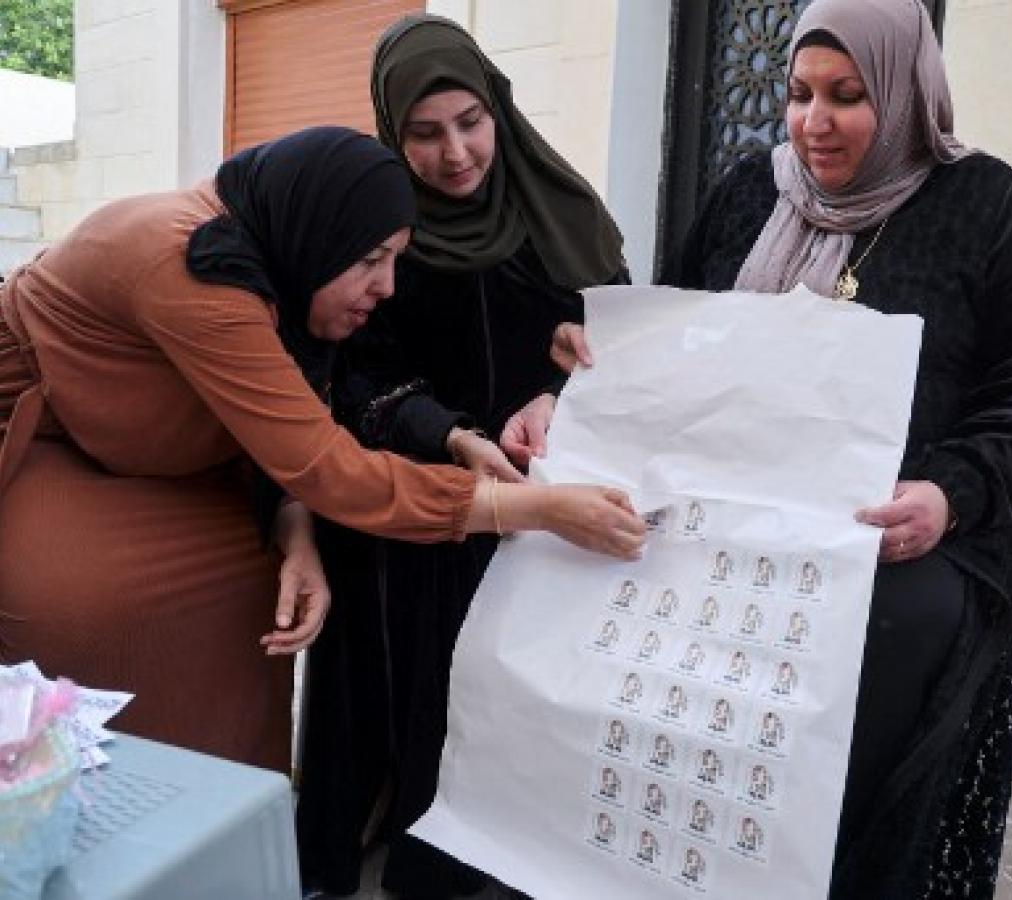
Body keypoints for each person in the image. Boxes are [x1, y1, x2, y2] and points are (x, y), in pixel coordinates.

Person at [0, 126, 644, 775]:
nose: (387, 287)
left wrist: (297, 535)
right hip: (45, 429)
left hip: (171, 447)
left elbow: (288, 435)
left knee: (256, 582)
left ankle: (228, 807)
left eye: (395, 261)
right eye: (369, 260)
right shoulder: (201, 272)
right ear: (318, 230)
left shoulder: (277, 259)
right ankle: (87, 800)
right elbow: (328, 468)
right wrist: (537, 509)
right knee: (84, 603)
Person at [664, 0, 1012, 895]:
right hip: (745, 506)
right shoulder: (749, 191)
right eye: (800, 94)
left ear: (903, 96)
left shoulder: (982, 203)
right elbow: (678, 333)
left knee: (887, 625)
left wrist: (951, 492)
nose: (814, 122)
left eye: (848, 96)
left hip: (911, 527)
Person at [295, 16, 631, 898]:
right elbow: (352, 373)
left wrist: (559, 386)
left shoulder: (559, 213)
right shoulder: (377, 228)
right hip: (410, 512)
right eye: (424, 132)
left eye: (470, 122)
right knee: (416, 702)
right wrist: (444, 431)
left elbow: (621, 342)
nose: (454, 154)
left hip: (539, 510)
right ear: (391, 131)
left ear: (498, 110)